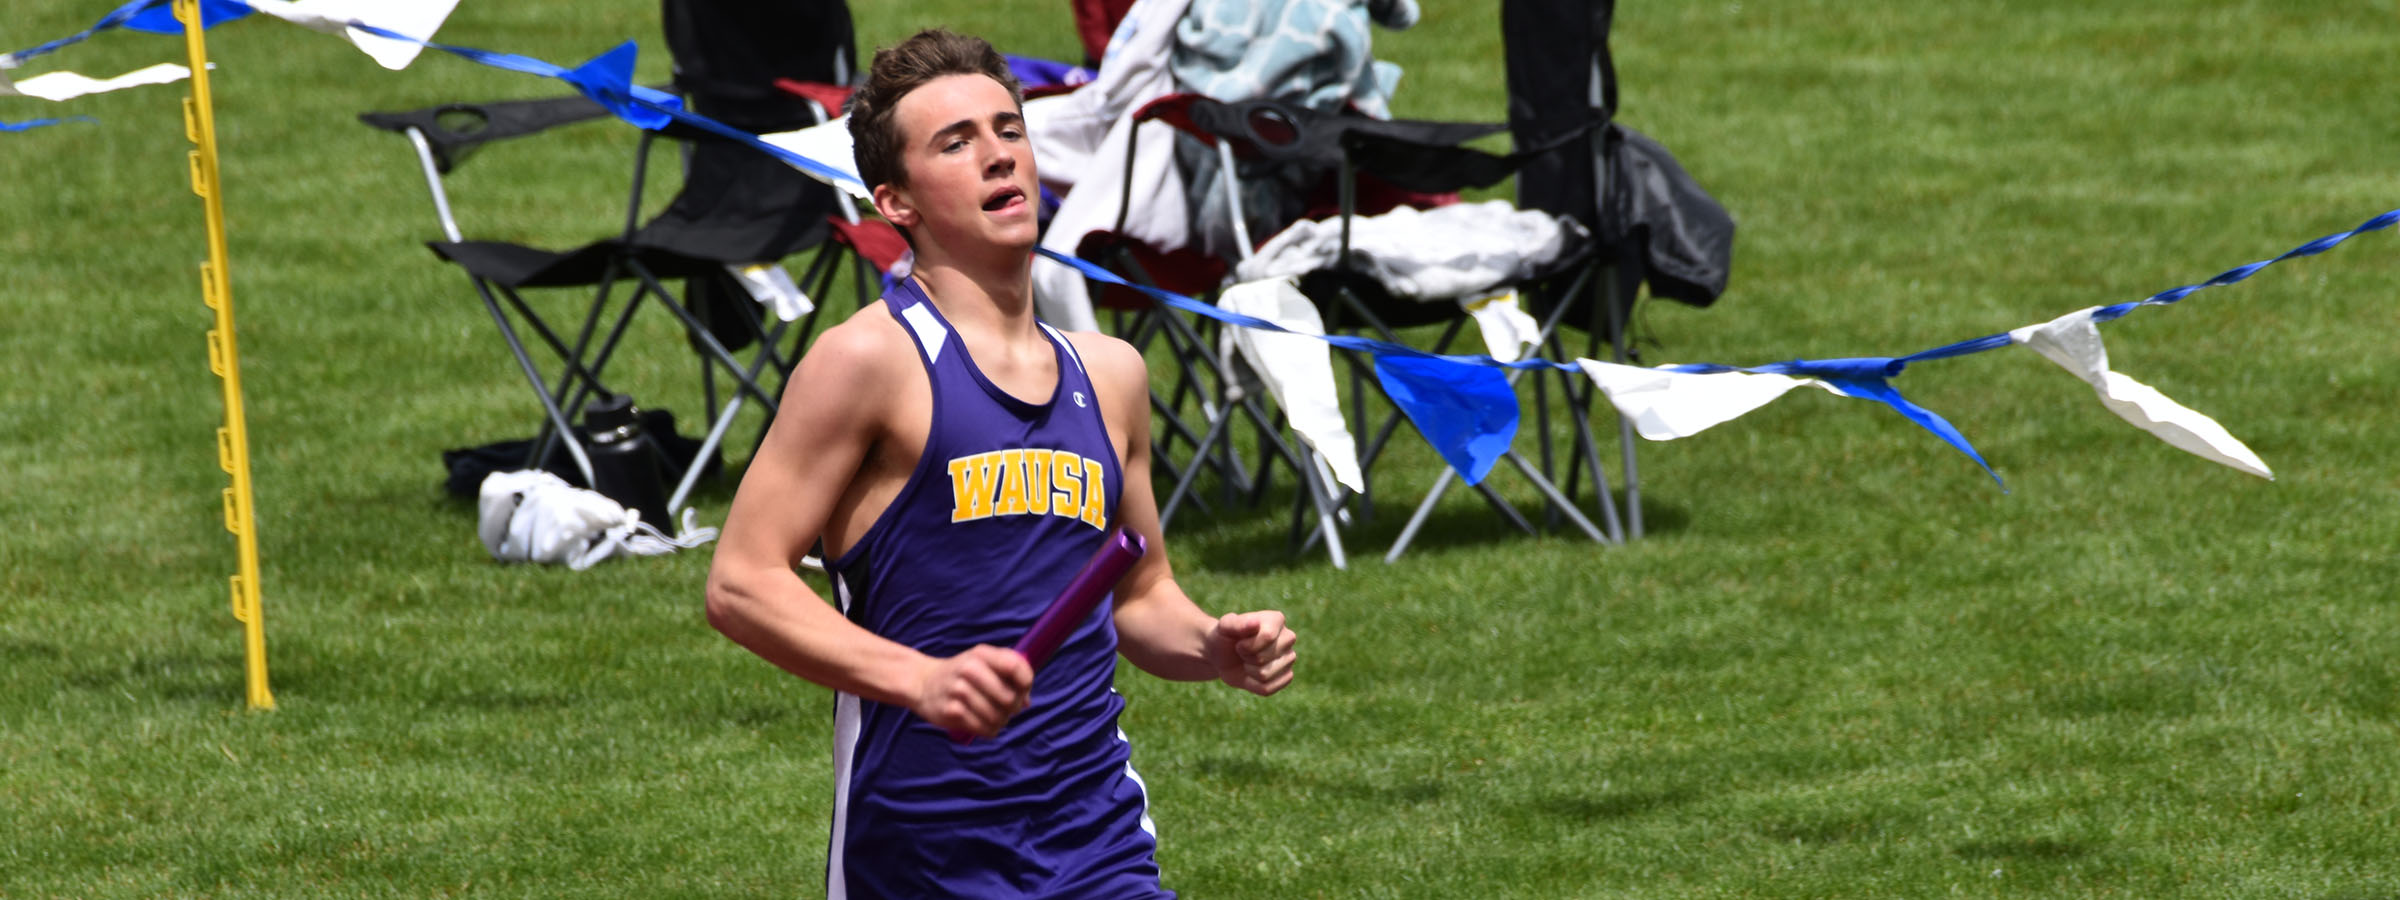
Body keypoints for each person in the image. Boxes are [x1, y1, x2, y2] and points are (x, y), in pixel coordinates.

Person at [704, 29, 1298, 900]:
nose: (998, 157)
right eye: (957, 142)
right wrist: (922, 679)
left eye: (1008, 130)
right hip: (919, 856)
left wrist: (1212, 645)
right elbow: (742, 583)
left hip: (1099, 847)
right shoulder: (868, 361)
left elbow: (1138, 596)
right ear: (895, 201)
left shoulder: (1111, 374)